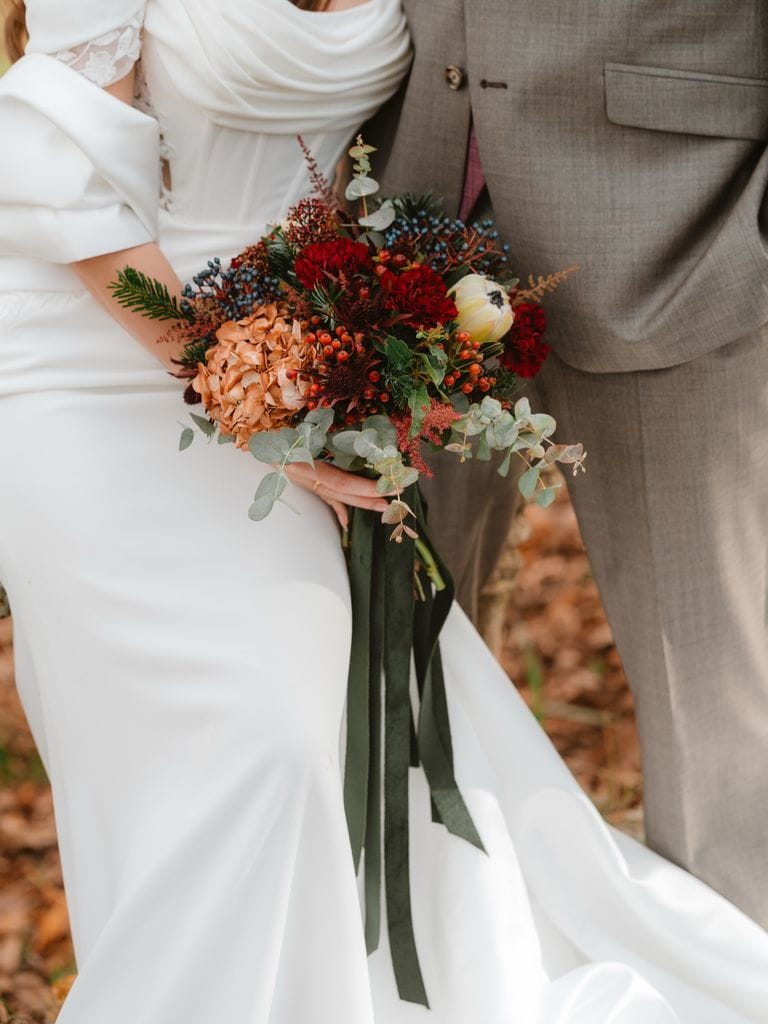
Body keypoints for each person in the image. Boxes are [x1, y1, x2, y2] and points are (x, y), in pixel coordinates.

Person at [0, 2, 766, 1022]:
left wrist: (314, 369)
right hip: (100, 355)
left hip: (302, 355)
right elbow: (67, 181)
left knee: (325, 734)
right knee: (258, 742)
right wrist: (243, 388)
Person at [369, 0, 768, 933]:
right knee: (393, 667)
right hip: (405, 225)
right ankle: (436, 965)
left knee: (713, 705)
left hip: (681, 237)